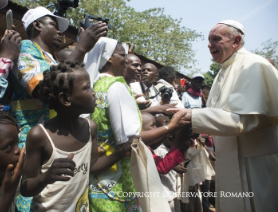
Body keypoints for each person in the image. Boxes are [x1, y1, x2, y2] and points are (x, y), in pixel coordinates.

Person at [168, 20, 278, 212]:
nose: (209, 45)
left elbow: (245, 120)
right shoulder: (223, 70)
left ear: (236, 41)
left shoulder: (254, 65)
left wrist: (193, 117)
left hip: (254, 162)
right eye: (208, 40)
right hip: (228, 156)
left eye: (216, 40)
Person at [87, 37, 190, 212]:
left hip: (100, 173)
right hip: (117, 174)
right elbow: (130, 140)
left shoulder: (97, 84)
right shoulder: (117, 86)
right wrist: (170, 127)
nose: (126, 60)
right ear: (110, 57)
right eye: (122, 55)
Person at [20, 61, 134, 211]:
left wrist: (120, 153)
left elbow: (92, 165)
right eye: (87, 88)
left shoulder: (90, 127)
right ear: (66, 99)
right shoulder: (39, 135)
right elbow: (25, 188)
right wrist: (46, 177)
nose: (93, 92)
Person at [10, 6, 109, 149]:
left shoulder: (51, 58)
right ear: (37, 25)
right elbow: (46, 89)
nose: (59, 32)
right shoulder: (25, 48)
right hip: (29, 138)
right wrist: (81, 48)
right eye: (54, 25)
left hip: (50, 135)